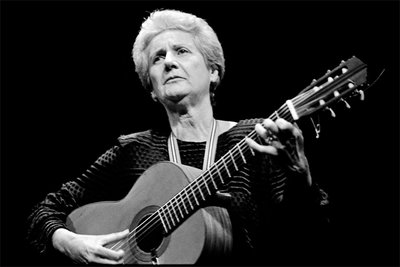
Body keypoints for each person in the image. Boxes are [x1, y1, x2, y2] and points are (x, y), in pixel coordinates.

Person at [27, 9, 329, 265]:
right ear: (151, 88)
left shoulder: (256, 137)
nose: (168, 62)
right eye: (157, 58)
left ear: (213, 71)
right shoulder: (133, 148)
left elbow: (309, 237)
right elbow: (45, 211)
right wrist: (68, 242)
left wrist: (301, 177)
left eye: (181, 51)